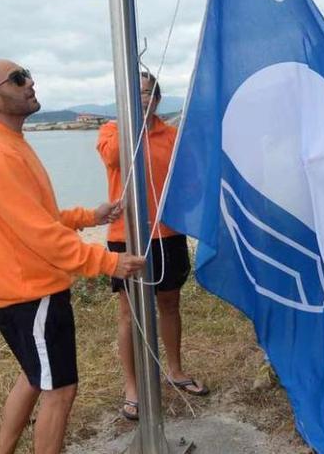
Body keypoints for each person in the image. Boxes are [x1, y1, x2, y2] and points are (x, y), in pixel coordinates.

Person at [0, 59, 145, 454]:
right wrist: (108, 262)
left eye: (26, 74)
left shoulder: (7, 144)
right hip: (34, 294)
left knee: (34, 378)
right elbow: (40, 235)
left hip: (24, 292)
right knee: (60, 390)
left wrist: (88, 217)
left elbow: (34, 216)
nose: (30, 82)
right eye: (17, 78)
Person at [96, 71, 208, 420]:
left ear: (157, 99)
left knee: (169, 303)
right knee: (129, 314)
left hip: (167, 234)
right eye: (134, 93)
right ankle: (133, 387)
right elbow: (114, 158)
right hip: (125, 235)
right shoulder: (112, 131)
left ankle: (174, 369)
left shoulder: (171, 136)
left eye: (146, 93)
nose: (141, 98)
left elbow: (190, 179)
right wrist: (133, 121)